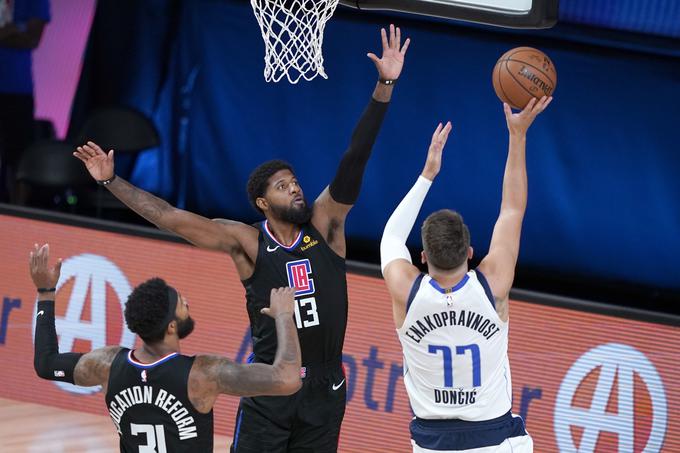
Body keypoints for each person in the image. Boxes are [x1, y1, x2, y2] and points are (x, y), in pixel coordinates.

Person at [72, 24, 410, 452]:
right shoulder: (247, 242)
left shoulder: (326, 225)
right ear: (262, 203)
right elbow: (170, 217)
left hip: (325, 386)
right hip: (269, 382)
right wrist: (112, 182)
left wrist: (385, 85)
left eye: (294, 182)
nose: (295, 188)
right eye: (282, 186)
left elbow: (355, 157)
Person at [380, 96, 552, 452]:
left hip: (433, 444)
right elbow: (512, 209)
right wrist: (517, 136)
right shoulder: (492, 283)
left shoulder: (406, 289)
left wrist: (428, 174)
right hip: (493, 439)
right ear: (471, 253)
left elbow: (392, 236)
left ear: (423, 257)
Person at [30, 242, 302, 452]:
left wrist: (46, 293)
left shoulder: (106, 365)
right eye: (182, 304)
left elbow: (46, 364)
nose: (188, 304)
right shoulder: (204, 374)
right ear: (171, 326)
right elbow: (288, 379)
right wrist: (284, 316)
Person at [0, 0, 50, 202]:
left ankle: (19, 216)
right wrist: (10, 31)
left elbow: (31, 39)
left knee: (19, 157)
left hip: (17, 89)